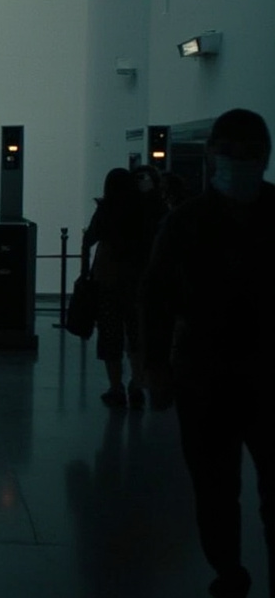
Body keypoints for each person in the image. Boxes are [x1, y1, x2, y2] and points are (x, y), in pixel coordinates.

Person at [142, 108, 275, 598]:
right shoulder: (185, 222)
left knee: (224, 487)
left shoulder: (189, 221)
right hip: (209, 377)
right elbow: (156, 297)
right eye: (232, 153)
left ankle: (230, 572)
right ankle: (229, 569)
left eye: (249, 153)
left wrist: (157, 363)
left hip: (231, 374)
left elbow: (156, 296)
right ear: (214, 154)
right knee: (215, 488)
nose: (239, 162)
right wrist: (155, 365)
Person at [82, 167, 152, 408]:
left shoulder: (106, 210)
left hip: (109, 280)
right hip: (137, 282)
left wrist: (85, 274)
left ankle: (115, 387)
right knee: (136, 335)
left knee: (110, 336)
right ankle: (137, 383)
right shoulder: (144, 209)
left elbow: (89, 238)